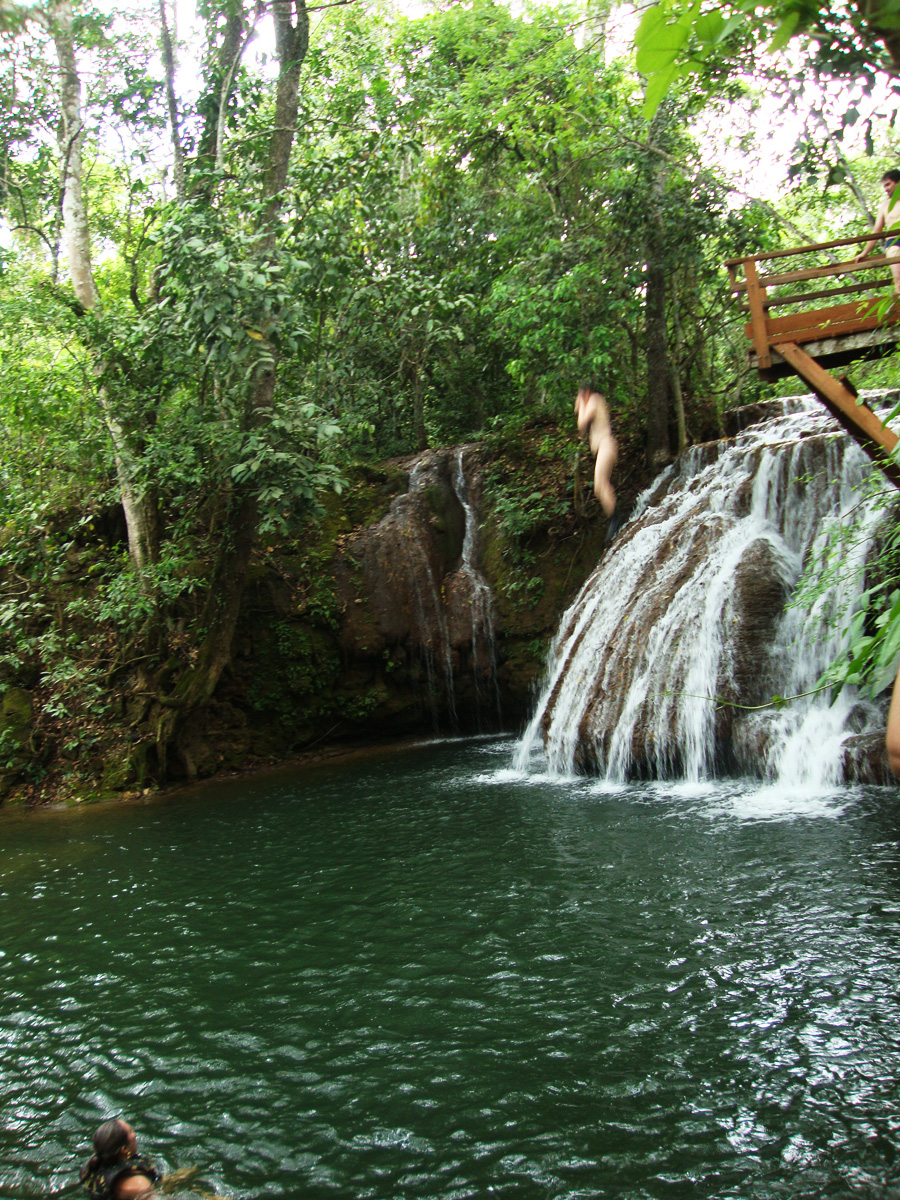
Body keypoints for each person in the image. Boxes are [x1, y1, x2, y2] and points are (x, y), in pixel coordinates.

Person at [80, 1119, 159, 1200]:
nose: (135, 1135)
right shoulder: (139, 1185)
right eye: (131, 1131)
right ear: (124, 1149)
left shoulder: (90, 1167)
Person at [574, 381, 618, 518]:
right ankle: (615, 517)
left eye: (580, 395)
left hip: (606, 445)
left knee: (600, 485)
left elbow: (581, 423)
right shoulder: (594, 400)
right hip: (604, 447)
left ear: (585, 393)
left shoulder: (594, 399)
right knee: (600, 487)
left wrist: (581, 403)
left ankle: (617, 519)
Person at [853, 169, 900, 294]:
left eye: (888, 184)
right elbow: (876, 232)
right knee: (898, 279)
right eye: (884, 185)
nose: (886, 188)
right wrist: (864, 252)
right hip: (894, 243)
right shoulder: (885, 206)